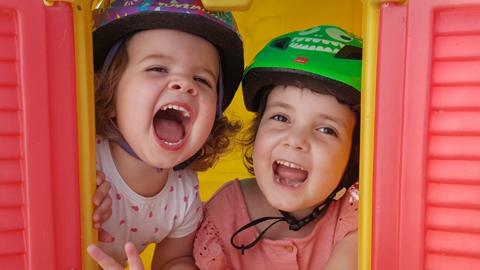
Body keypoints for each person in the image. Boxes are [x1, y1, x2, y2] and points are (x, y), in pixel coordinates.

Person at [86, 0, 244, 268]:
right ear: (110, 93)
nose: (184, 84)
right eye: (157, 68)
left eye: (202, 80)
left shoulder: (183, 192)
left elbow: (174, 260)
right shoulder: (85, 156)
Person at [193, 25, 362, 270]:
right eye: (281, 118)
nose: (296, 140)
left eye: (326, 129)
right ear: (257, 129)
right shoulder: (224, 214)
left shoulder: (355, 217)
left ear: (353, 156)